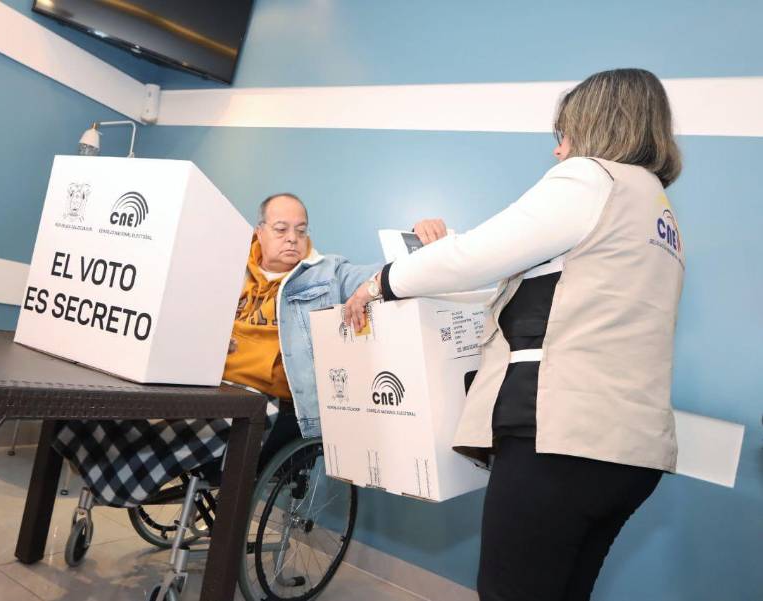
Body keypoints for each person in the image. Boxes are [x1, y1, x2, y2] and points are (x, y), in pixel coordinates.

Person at [344, 68, 685, 601]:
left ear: (598, 125)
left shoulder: (591, 178)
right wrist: (447, 249)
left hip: (561, 440)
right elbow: (554, 284)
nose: (558, 151)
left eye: (564, 134)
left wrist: (379, 283)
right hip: (630, 450)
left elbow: (477, 257)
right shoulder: (658, 211)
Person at [54, 193, 430, 508]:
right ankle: (105, 467)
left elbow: (385, 275)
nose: (292, 239)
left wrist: (423, 247)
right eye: (281, 229)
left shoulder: (327, 273)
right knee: (104, 402)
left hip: (265, 405)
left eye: (301, 230)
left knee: (180, 427)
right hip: (204, 384)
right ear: (259, 232)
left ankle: (117, 480)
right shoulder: (228, 268)